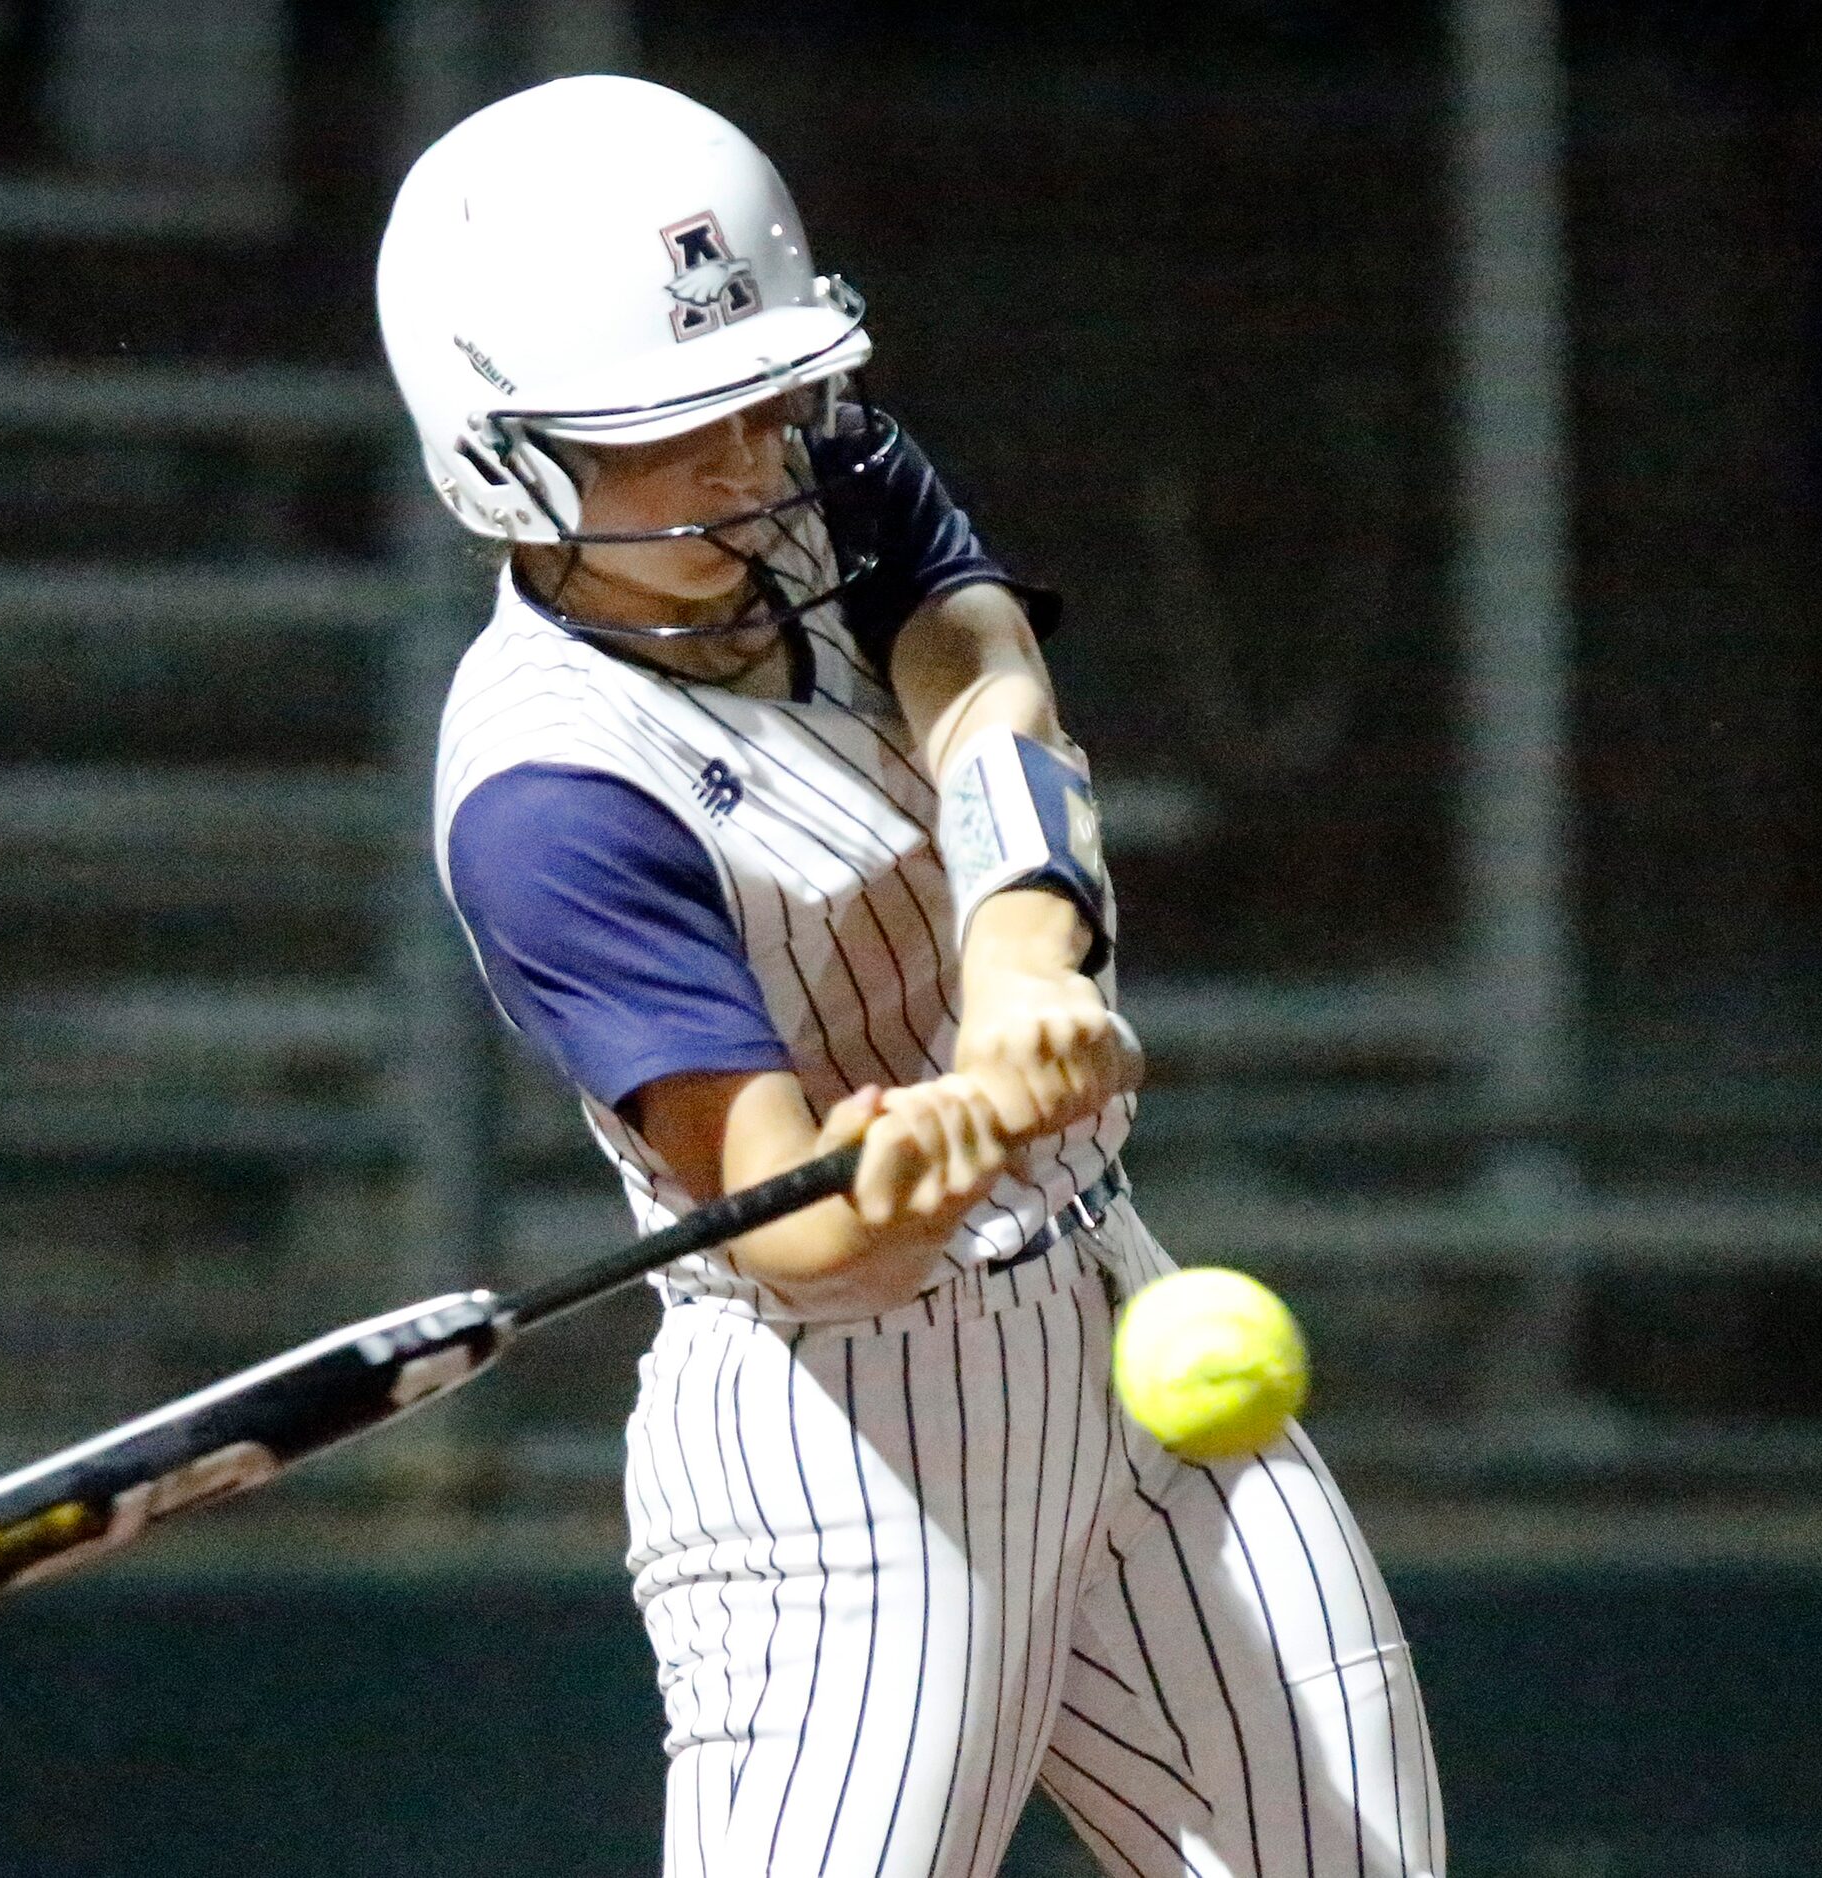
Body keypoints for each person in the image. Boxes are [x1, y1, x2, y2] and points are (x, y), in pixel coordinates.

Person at [378, 74, 1443, 1878]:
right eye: (666, 431)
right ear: (506, 458)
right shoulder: (545, 796)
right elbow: (798, 1230)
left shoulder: (810, 472)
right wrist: (878, 1177)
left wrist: (1024, 948)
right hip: (847, 1457)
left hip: (1109, 1310)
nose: (742, 460)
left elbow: (978, 658)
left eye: (760, 401)